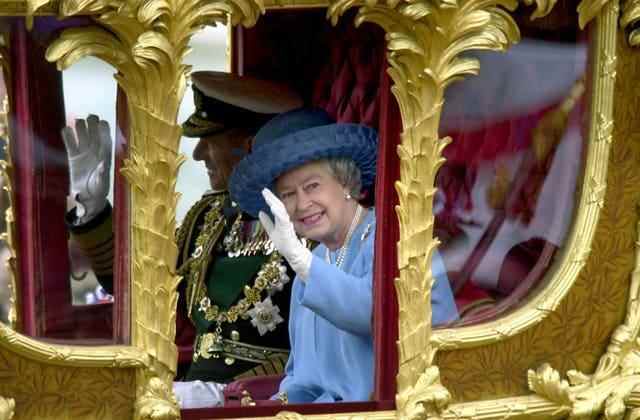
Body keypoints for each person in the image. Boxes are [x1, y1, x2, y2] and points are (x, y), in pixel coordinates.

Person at [63, 71, 303, 408]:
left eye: (210, 140)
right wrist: (93, 209)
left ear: (251, 146)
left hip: (270, 400)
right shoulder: (208, 217)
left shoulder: (307, 221)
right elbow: (141, 286)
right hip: (189, 395)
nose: (199, 154)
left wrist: (225, 396)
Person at [229, 108, 458, 404]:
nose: (301, 204)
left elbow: (376, 315)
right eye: (287, 194)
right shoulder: (313, 264)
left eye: (312, 186)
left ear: (347, 183)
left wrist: (301, 261)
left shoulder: (393, 239)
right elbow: (302, 380)